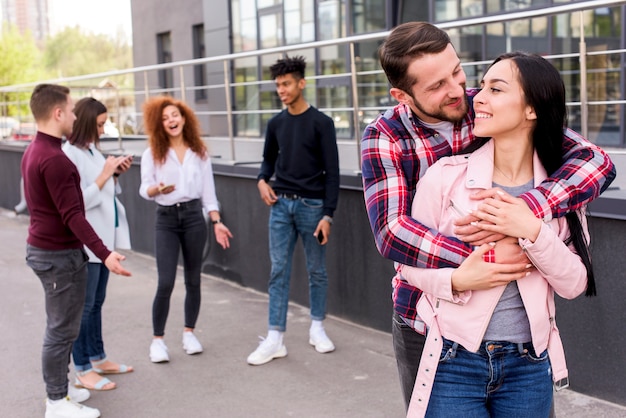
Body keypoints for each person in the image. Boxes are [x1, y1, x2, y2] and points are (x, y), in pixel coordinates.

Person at [360, 22, 616, 410]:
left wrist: (526, 212)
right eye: (436, 86)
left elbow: (595, 161)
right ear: (402, 95)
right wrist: (476, 260)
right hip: (427, 319)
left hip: (524, 345)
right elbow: (393, 232)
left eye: (457, 71)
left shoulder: (488, 105)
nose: (458, 91)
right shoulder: (386, 136)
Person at [402, 51, 594, 417]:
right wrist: (458, 279)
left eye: (496, 88)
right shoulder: (445, 176)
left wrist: (531, 229)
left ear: (532, 109)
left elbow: (575, 283)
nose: (478, 97)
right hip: (452, 359)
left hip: (530, 364)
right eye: (483, 86)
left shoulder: (561, 189)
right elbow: (407, 267)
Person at [22, 83, 131, 418]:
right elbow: (73, 214)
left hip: (51, 252)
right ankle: (56, 403)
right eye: (69, 109)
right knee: (61, 330)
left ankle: (63, 390)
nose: (73, 114)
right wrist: (105, 253)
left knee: (65, 326)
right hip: (57, 255)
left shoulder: (36, 150)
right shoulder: (54, 159)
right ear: (57, 114)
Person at [247, 55, 340, 366]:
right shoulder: (275, 124)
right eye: (277, 85)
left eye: (286, 84)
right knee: (278, 271)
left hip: (313, 208)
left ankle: (317, 327)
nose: (281, 90)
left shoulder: (322, 123)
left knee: (317, 271)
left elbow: (333, 173)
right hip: (280, 207)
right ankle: (275, 338)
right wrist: (261, 180)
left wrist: (328, 215)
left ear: (301, 83)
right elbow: (266, 162)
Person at [139, 96, 233, 363]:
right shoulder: (152, 153)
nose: (171, 120)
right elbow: (143, 188)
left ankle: (189, 333)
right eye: (165, 117)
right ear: (159, 124)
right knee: (166, 281)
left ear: (184, 118)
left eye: (175, 115)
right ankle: (157, 341)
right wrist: (157, 189)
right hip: (166, 219)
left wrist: (216, 221)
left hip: (193, 217)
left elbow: (209, 194)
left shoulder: (198, 152)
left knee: (193, 279)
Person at [62, 98, 133, 392]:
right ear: (87, 122)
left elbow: (105, 192)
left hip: (104, 240)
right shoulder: (69, 153)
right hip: (88, 242)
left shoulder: (91, 150)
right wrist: (105, 175)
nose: (103, 130)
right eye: (100, 124)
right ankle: (82, 368)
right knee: (85, 307)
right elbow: (77, 203)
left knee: (97, 304)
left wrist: (114, 174)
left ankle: (98, 356)